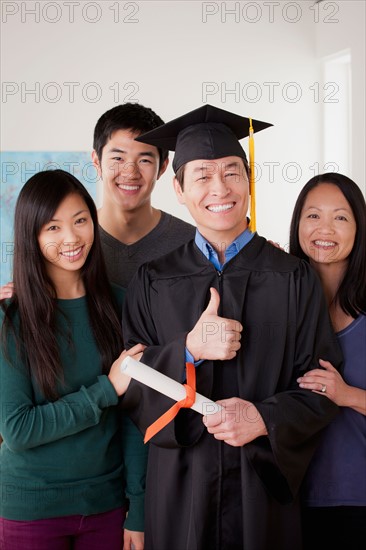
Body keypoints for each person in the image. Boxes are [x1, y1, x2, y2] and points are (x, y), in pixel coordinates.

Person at [118, 104, 344, 550]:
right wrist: (186, 349)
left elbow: (321, 387)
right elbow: (131, 384)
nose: (218, 188)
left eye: (231, 172)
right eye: (201, 176)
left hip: (262, 488)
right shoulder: (153, 280)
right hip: (181, 488)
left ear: (248, 180)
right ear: (179, 190)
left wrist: (264, 418)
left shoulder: (292, 276)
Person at [0, 170, 145, 550]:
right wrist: (105, 390)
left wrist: (140, 507)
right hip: (30, 509)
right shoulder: (11, 318)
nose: (71, 238)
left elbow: (135, 419)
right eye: (52, 227)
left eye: (80, 221)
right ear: (32, 236)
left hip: (106, 507)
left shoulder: (122, 304)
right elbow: (18, 429)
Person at [0, 102, 195, 296]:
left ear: (162, 167)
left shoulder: (191, 244)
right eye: (118, 159)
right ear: (97, 162)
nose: (130, 172)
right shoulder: (71, 247)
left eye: (144, 160)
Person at [289, 173, 366, 549]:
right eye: (313, 215)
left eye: (340, 217)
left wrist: (347, 394)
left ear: (358, 228)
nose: (325, 228)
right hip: (288, 496)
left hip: (358, 496)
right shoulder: (275, 302)